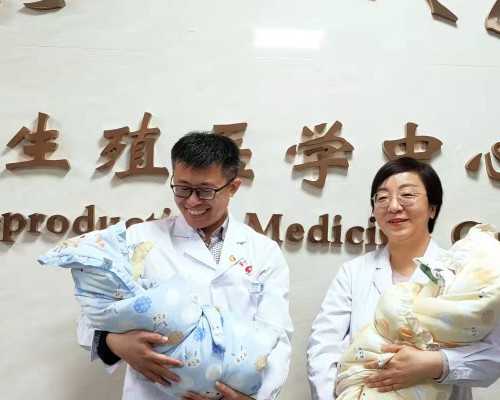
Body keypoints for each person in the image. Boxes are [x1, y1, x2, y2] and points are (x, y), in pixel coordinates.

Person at [77, 132, 293, 400]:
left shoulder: (263, 252)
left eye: (205, 191)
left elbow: (276, 336)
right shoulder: (138, 240)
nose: (191, 201)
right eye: (182, 188)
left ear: (233, 187)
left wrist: (254, 398)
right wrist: (115, 343)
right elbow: (92, 314)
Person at [306, 156, 500, 400]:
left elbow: (494, 357)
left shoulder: (465, 272)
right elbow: (323, 347)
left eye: (407, 195)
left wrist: (436, 364)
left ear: (432, 208)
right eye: (382, 198)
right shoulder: (353, 273)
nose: (394, 206)